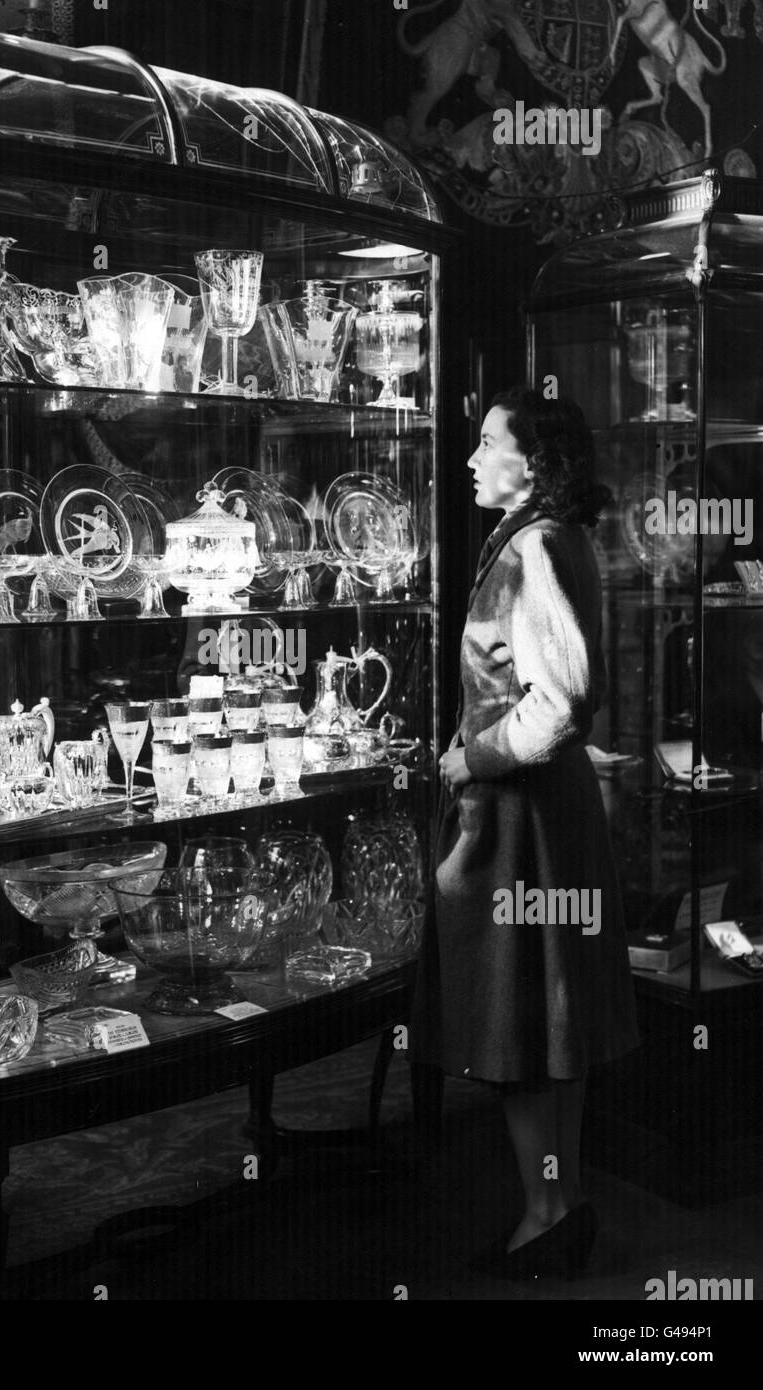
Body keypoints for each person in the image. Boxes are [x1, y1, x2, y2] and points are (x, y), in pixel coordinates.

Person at [411, 388, 640, 1280]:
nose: (471, 457)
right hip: (543, 814)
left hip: (522, 819)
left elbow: (563, 703)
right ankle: (561, 1204)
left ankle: (546, 1217)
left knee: (515, 1028)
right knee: (551, 1023)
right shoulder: (545, 538)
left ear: (532, 465)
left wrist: (476, 758)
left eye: (487, 442)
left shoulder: (536, 546)